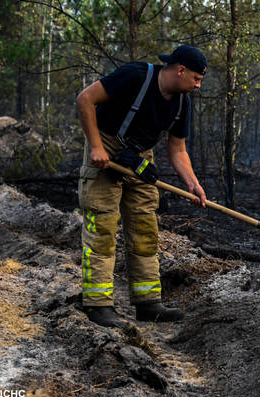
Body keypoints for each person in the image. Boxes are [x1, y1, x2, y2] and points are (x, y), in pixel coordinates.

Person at [75, 45, 207, 327]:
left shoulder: (182, 103)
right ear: (180, 69)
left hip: (139, 157)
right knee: (102, 226)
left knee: (145, 228)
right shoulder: (136, 76)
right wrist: (96, 147)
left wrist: (193, 184)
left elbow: (178, 150)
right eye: (196, 79)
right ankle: (98, 304)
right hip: (106, 147)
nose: (197, 86)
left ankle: (148, 303)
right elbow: (85, 99)